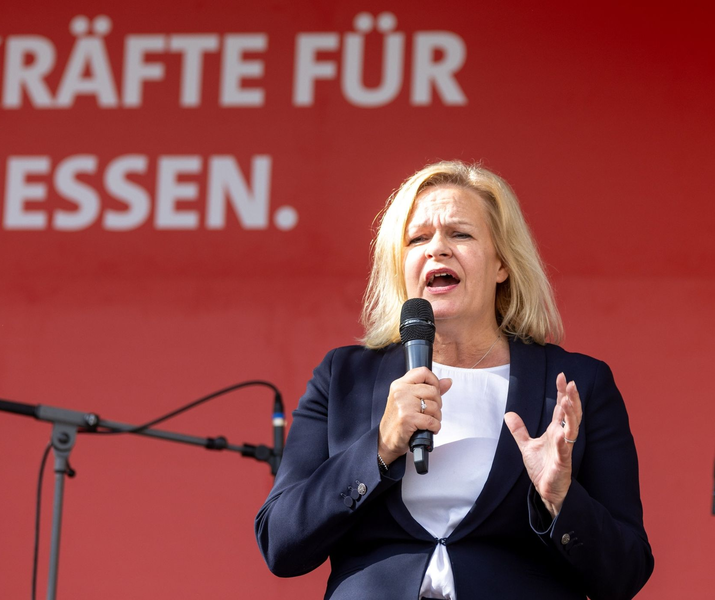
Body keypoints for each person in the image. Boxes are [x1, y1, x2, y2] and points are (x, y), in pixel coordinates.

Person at [255, 161, 653, 599]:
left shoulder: (577, 383)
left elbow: (626, 572)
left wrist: (561, 500)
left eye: (459, 234)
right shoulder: (343, 377)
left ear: (502, 264)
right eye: (418, 239)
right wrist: (381, 446)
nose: (436, 249)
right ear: (400, 265)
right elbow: (281, 544)